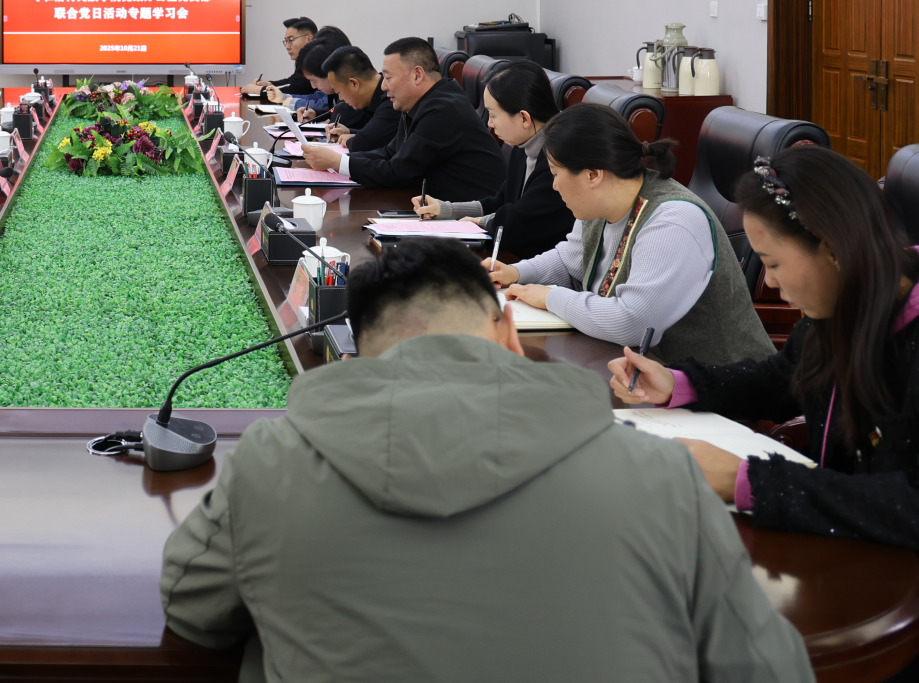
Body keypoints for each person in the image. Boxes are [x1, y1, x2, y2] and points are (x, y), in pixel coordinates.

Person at [159, 237, 816, 683]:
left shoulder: (269, 463)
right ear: (508, 333)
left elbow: (191, 607)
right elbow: (766, 668)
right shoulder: (660, 475)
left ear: (360, 354)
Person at [614, 146, 919, 681]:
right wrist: (680, 384)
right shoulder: (848, 301)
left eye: (773, 263)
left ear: (833, 249)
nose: (768, 282)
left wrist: (750, 481)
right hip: (885, 555)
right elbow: (784, 379)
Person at [488, 101, 769, 366]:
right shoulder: (600, 206)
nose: (554, 186)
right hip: (640, 375)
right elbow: (569, 260)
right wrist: (516, 273)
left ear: (592, 175)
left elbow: (633, 323)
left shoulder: (673, 220)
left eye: (555, 173)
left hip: (722, 390)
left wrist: (550, 297)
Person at [305, 37, 503, 202]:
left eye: (388, 78)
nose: (383, 87)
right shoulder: (419, 103)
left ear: (417, 75)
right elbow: (390, 153)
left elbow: (397, 173)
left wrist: (338, 162)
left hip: (469, 219)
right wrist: (335, 160)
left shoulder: (443, 110)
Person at [415, 58, 571, 258]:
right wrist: (446, 209)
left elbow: (519, 224)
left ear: (524, 118)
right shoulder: (523, 144)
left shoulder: (558, 159)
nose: (489, 123)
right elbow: (501, 201)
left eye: (493, 115)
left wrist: (478, 223)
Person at [318, 45, 398, 154]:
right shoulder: (374, 97)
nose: (340, 98)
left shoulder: (391, 99)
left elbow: (363, 143)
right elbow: (375, 136)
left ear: (354, 84)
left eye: (339, 92)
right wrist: (348, 132)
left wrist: (351, 140)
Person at [242, 16, 316, 100]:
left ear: (309, 39)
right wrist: (269, 84)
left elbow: (296, 89)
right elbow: (292, 81)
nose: (287, 46)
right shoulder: (303, 59)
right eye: (286, 41)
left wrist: (260, 90)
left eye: (291, 40)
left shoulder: (315, 59)